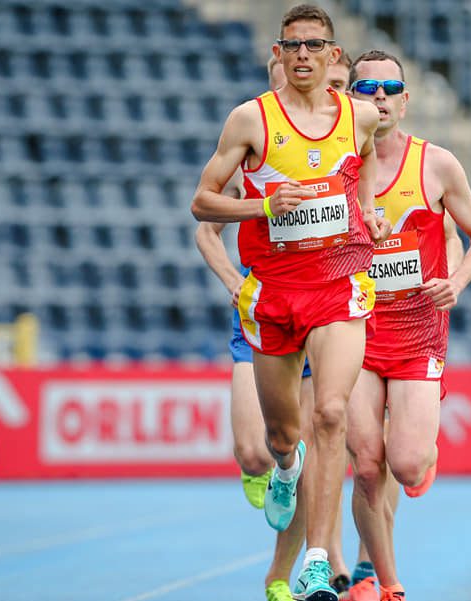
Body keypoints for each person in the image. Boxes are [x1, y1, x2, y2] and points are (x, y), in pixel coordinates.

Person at [191, 5, 390, 601]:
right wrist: (264, 206)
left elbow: (365, 161)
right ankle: (285, 468)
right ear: (279, 53)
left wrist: (369, 210)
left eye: (314, 45)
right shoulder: (250, 119)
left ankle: (317, 560)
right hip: (274, 294)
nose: (304, 54)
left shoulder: (359, 116)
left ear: (334, 55)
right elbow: (202, 203)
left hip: (339, 285)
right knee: (280, 437)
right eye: (293, 45)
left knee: (330, 413)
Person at [344, 50, 471, 600]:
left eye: (390, 89)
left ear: (405, 101)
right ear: (351, 100)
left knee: (405, 465)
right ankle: (385, 583)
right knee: (366, 465)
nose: (380, 98)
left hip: (417, 333)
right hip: (354, 329)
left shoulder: (437, 164)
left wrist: (456, 282)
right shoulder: (337, 168)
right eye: (368, 89)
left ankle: (419, 455)